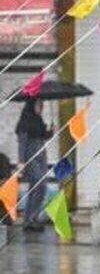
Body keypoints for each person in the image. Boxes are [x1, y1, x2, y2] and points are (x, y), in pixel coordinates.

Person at [15, 97, 51, 231]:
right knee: (39, 184)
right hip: (31, 156)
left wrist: (51, 131)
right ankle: (30, 217)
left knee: (37, 187)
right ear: (32, 105)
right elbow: (22, 143)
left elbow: (43, 136)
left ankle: (31, 218)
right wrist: (21, 161)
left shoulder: (38, 120)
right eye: (39, 104)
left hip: (41, 155)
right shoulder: (24, 122)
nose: (41, 107)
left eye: (42, 104)